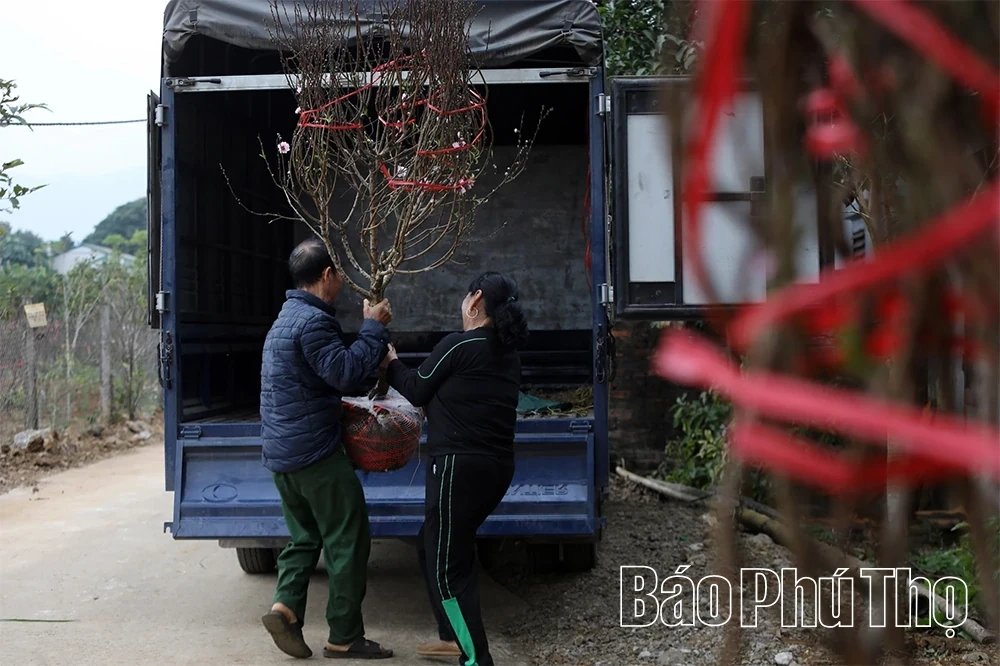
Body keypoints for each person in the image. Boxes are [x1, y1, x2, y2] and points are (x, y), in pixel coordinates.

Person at [381, 271, 528, 666]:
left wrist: (391, 362)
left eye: (466, 297)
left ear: (475, 300)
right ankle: (451, 635)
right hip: (496, 470)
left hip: (456, 469)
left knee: (448, 570)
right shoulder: (508, 354)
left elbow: (416, 387)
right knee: (430, 544)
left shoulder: (459, 345)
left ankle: (476, 660)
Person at [259, 238, 394, 660]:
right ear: (325, 275)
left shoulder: (284, 320)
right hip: (314, 454)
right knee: (347, 537)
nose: (341, 281)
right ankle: (345, 635)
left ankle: (285, 608)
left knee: (305, 537)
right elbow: (345, 374)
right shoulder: (313, 322)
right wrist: (373, 327)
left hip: (282, 456)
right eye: (337, 274)